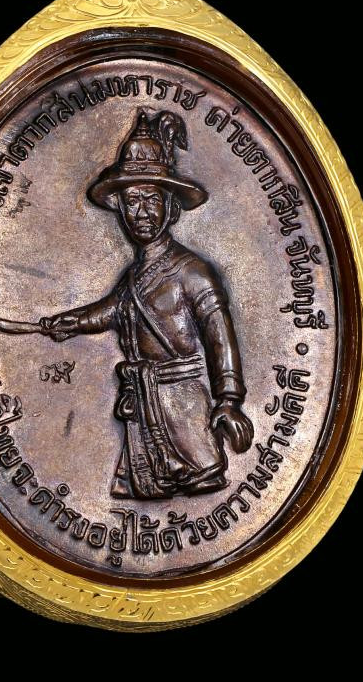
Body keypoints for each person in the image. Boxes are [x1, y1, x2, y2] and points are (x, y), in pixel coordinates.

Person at [41, 108, 253, 499]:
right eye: (132, 201)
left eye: (151, 200)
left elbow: (220, 337)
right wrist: (73, 321)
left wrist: (228, 399)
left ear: (170, 207)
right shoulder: (134, 277)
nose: (141, 212)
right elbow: (113, 310)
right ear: (120, 209)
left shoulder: (193, 271)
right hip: (144, 395)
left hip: (182, 397)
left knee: (202, 475)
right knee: (145, 484)